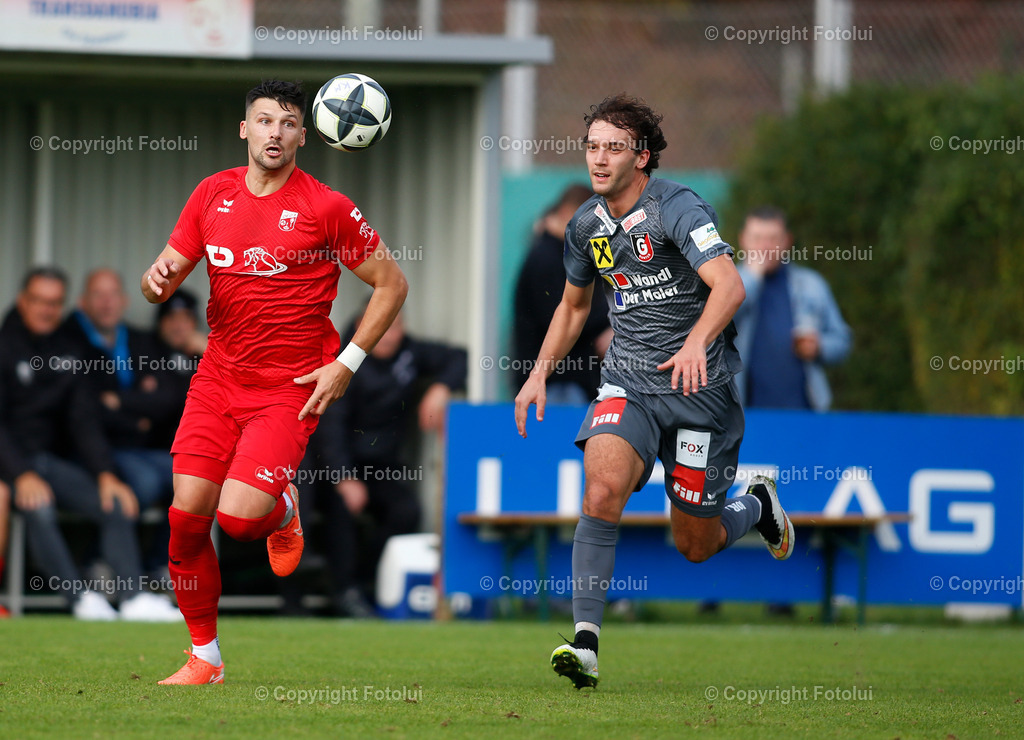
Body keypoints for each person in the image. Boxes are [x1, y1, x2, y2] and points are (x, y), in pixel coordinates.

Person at [514, 94, 794, 690]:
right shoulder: (586, 225)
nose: (598, 157)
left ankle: (757, 507)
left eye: (613, 147)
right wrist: (538, 372)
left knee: (695, 544)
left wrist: (696, 342)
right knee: (602, 487)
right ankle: (585, 643)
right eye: (591, 146)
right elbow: (573, 307)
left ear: (641, 156)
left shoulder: (678, 208)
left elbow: (729, 285)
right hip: (628, 383)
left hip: (701, 393)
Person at [141, 79, 408, 685]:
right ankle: (204, 657)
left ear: (303, 136)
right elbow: (165, 272)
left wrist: (347, 363)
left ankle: (282, 507)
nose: (274, 133)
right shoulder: (213, 193)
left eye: (287, 124)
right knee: (186, 517)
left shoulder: (327, 208)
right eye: (264, 121)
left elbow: (392, 284)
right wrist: (154, 280)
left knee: (236, 522)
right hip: (217, 377)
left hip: (290, 387)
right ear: (245, 129)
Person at [0, 267, 182, 621]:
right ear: (23, 301)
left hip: (50, 462)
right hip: (11, 464)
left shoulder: (68, 348)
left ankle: (132, 598)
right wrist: (20, 474)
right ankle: (79, 599)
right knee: (38, 505)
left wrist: (105, 473)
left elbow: (82, 418)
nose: (46, 310)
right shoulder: (4, 346)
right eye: (38, 301)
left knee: (115, 500)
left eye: (54, 302)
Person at [292, 308, 467, 617]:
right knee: (340, 509)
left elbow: (460, 357)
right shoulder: (342, 362)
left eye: (396, 326)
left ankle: (366, 580)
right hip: (330, 467)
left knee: (406, 511)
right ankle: (342, 590)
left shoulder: (409, 353)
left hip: (381, 469)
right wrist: (343, 478)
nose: (389, 334)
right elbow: (331, 426)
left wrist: (441, 388)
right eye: (382, 327)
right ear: (363, 328)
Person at [65, 268, 181, 515]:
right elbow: (85, 409)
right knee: (147, 484)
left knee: (190, 481)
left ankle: (168, 555)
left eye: (113, 293)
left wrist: (120, 400)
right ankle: (99, 554)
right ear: (82, 303)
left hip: (142, 446)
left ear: (125, 300)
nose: (107, 302)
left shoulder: (142, 341)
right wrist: (138, 418)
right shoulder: (70, 345)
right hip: (96, 450)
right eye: (98, 294)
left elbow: (167, 397)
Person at [734, 206, 852, 412]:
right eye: (757, 238)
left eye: (773, 238)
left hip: (803, 413)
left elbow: (842, 341)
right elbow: (713, 327)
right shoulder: (725, 285)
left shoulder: (811, 284)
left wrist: (820, 346)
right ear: (743, 240)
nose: (765, 247)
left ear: (787, 241)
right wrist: (752, 278)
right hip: (742, 413)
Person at [512, 184, 612, 404]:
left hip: (579, 381)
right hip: (558, 384)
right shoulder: (545, 257)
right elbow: (563, 315)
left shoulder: (579, 252)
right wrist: (606, 327)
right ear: (569, 214)